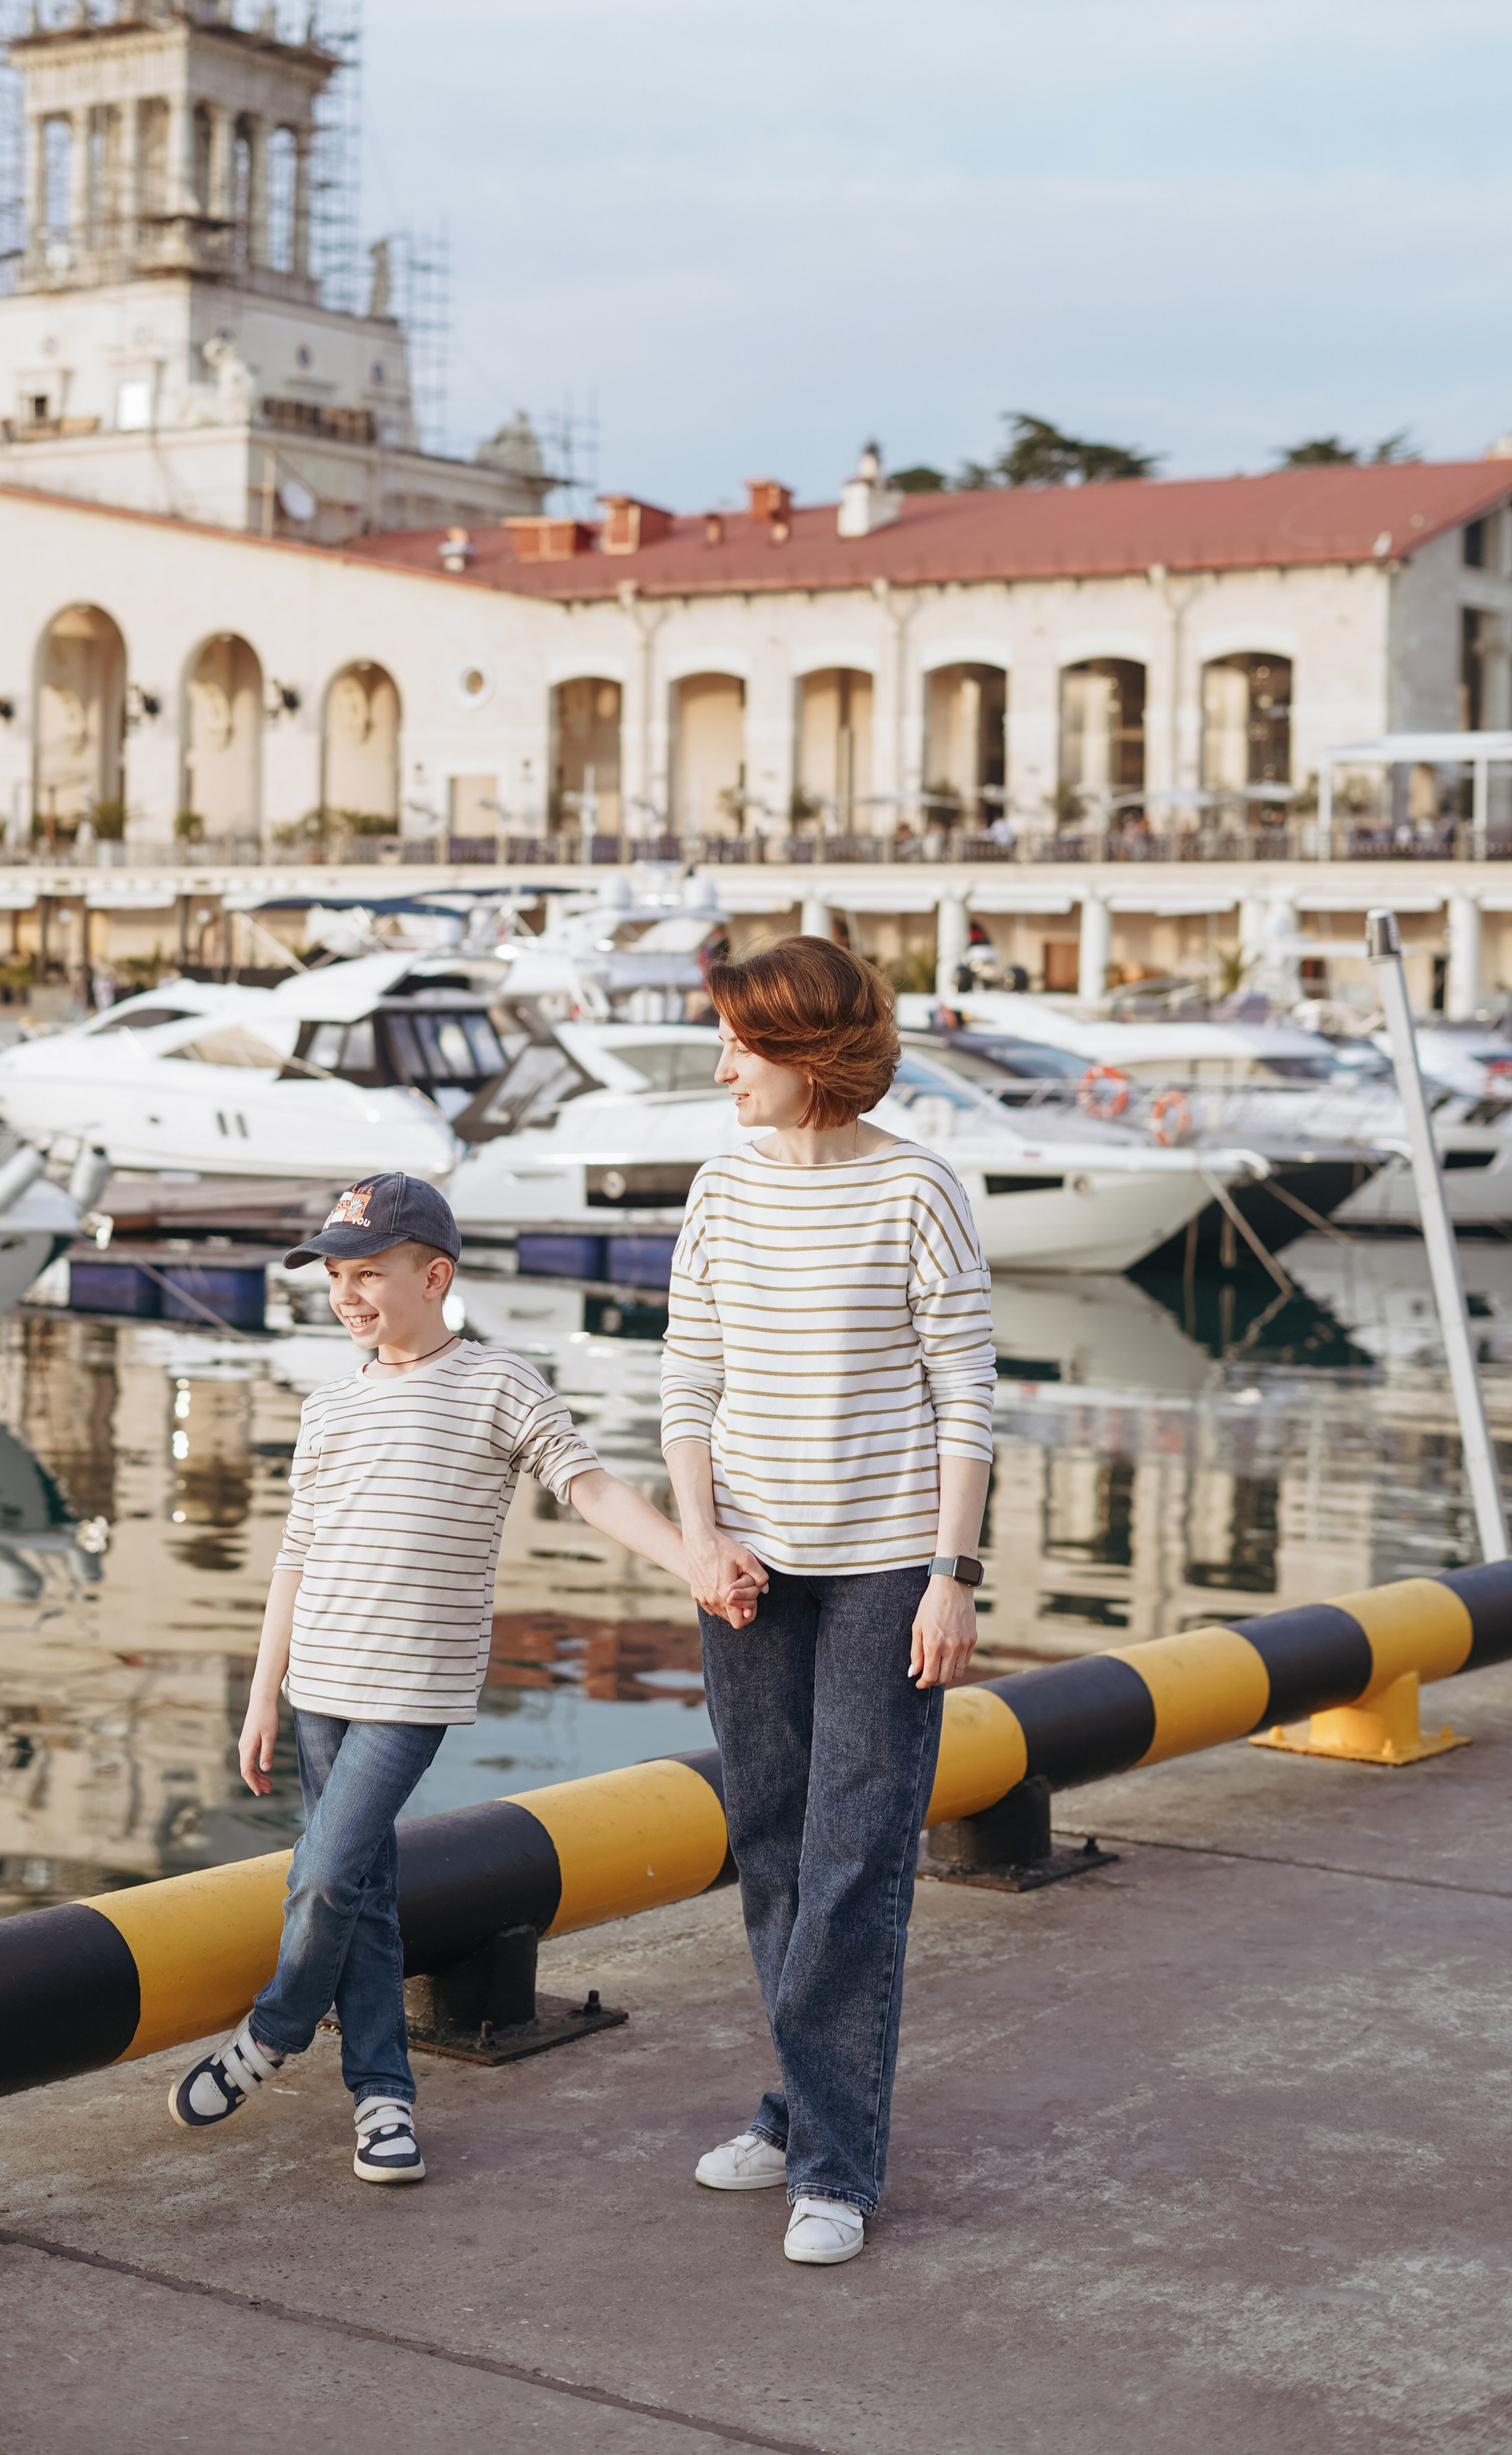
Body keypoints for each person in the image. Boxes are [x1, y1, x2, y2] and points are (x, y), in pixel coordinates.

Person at [167, 1171, 762, 2183]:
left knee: (320, 1875)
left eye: (368, 1273)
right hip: (319, 1679)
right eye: (334, 1278)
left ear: (433, 1274)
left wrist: (694, 1560)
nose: (348, 1295)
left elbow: (591, 1486)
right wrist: (264, 1692)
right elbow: (295, 1556)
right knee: (361, 1888)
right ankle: (384, 2101)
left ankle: (275, 2028)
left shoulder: (497, 1383)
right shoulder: (330, 1407)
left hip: (412, 1689)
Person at [663, 934, 994, 2269]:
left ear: (814, 1057)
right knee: (770, 1841)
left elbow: (967, 1395)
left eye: (744, 1043)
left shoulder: (918, 1189)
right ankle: (803, 2106)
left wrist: (952, 1577)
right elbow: (688, 1380)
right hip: (746, 1567)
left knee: (856, 1858)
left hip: (883, 1574)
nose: (723, 1063)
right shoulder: (721, 1188)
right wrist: (699, 1538)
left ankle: (836, 2167)